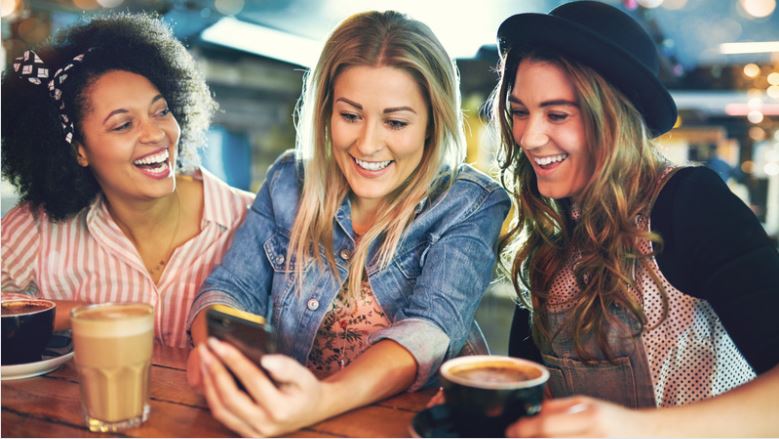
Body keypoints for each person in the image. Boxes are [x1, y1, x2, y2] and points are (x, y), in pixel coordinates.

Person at [185, 10, 510, 437]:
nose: (368, 143)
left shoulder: (468, 203)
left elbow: (430, 330)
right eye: (351, 115)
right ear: (326, 111)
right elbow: (229, 289)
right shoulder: (289, 182)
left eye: (395, 122)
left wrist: (320, 401)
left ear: (433, 122)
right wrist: (215, 350)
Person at [490, 1, 779, 436]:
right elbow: (533, 392)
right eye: (519, 111)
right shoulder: (549, 237)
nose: (529, 137)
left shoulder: (687, 202)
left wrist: (634, 428)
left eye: (557, 114)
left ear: (615, 118)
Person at [1, 14, 253, 348]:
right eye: (123, 125)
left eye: (161, 111)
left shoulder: (251, 221)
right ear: (79, 151)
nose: (155, 134)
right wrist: (78, 314)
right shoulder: (39, 230)